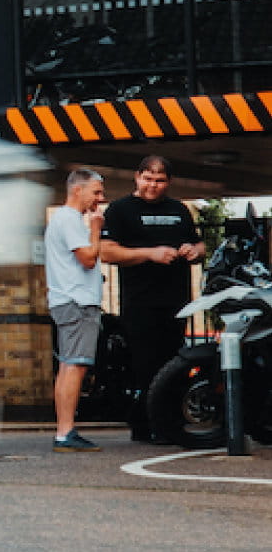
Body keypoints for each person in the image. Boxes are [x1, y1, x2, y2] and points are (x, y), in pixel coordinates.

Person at [102, 155, 202, 442]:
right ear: (137, 177)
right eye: (148, 179)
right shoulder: (120, 209)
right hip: (140, 303)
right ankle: (147, 425)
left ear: (168, 182)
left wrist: (195, 250)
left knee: (175, 364)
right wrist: (150, 254)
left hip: (177, 301)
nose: (153, 185)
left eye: (160, 180)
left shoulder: (179, 209)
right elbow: (106, 251)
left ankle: (170, 423)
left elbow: (199, 244)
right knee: (146, 365)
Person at [47, 168, 107, 452]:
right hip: (77, 302)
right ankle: (65, 432)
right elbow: (87, 258)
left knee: (68, 365)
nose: (100, 198)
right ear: (77, 190)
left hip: (68, 301)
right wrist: (96, 229)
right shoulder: (69, 220)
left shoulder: (62, 220)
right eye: (96, 192)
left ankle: (64, 430)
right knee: (74, 366)